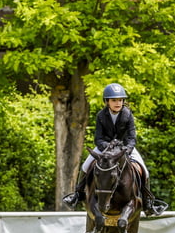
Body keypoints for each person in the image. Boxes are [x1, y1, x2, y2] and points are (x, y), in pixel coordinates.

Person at [62, 83, 167, 216]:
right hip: (105, 149)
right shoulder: (101, 115)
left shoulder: (127, 114)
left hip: (125, 148)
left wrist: (126, 150)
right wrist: (108, 149)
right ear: (107, 101)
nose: (118, 103)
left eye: (120, 100)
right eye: (114, 100)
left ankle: (148, 203)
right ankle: (77, 195)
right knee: (85, 166)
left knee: (143, 169)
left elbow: (132, 137)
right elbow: (98, 138)